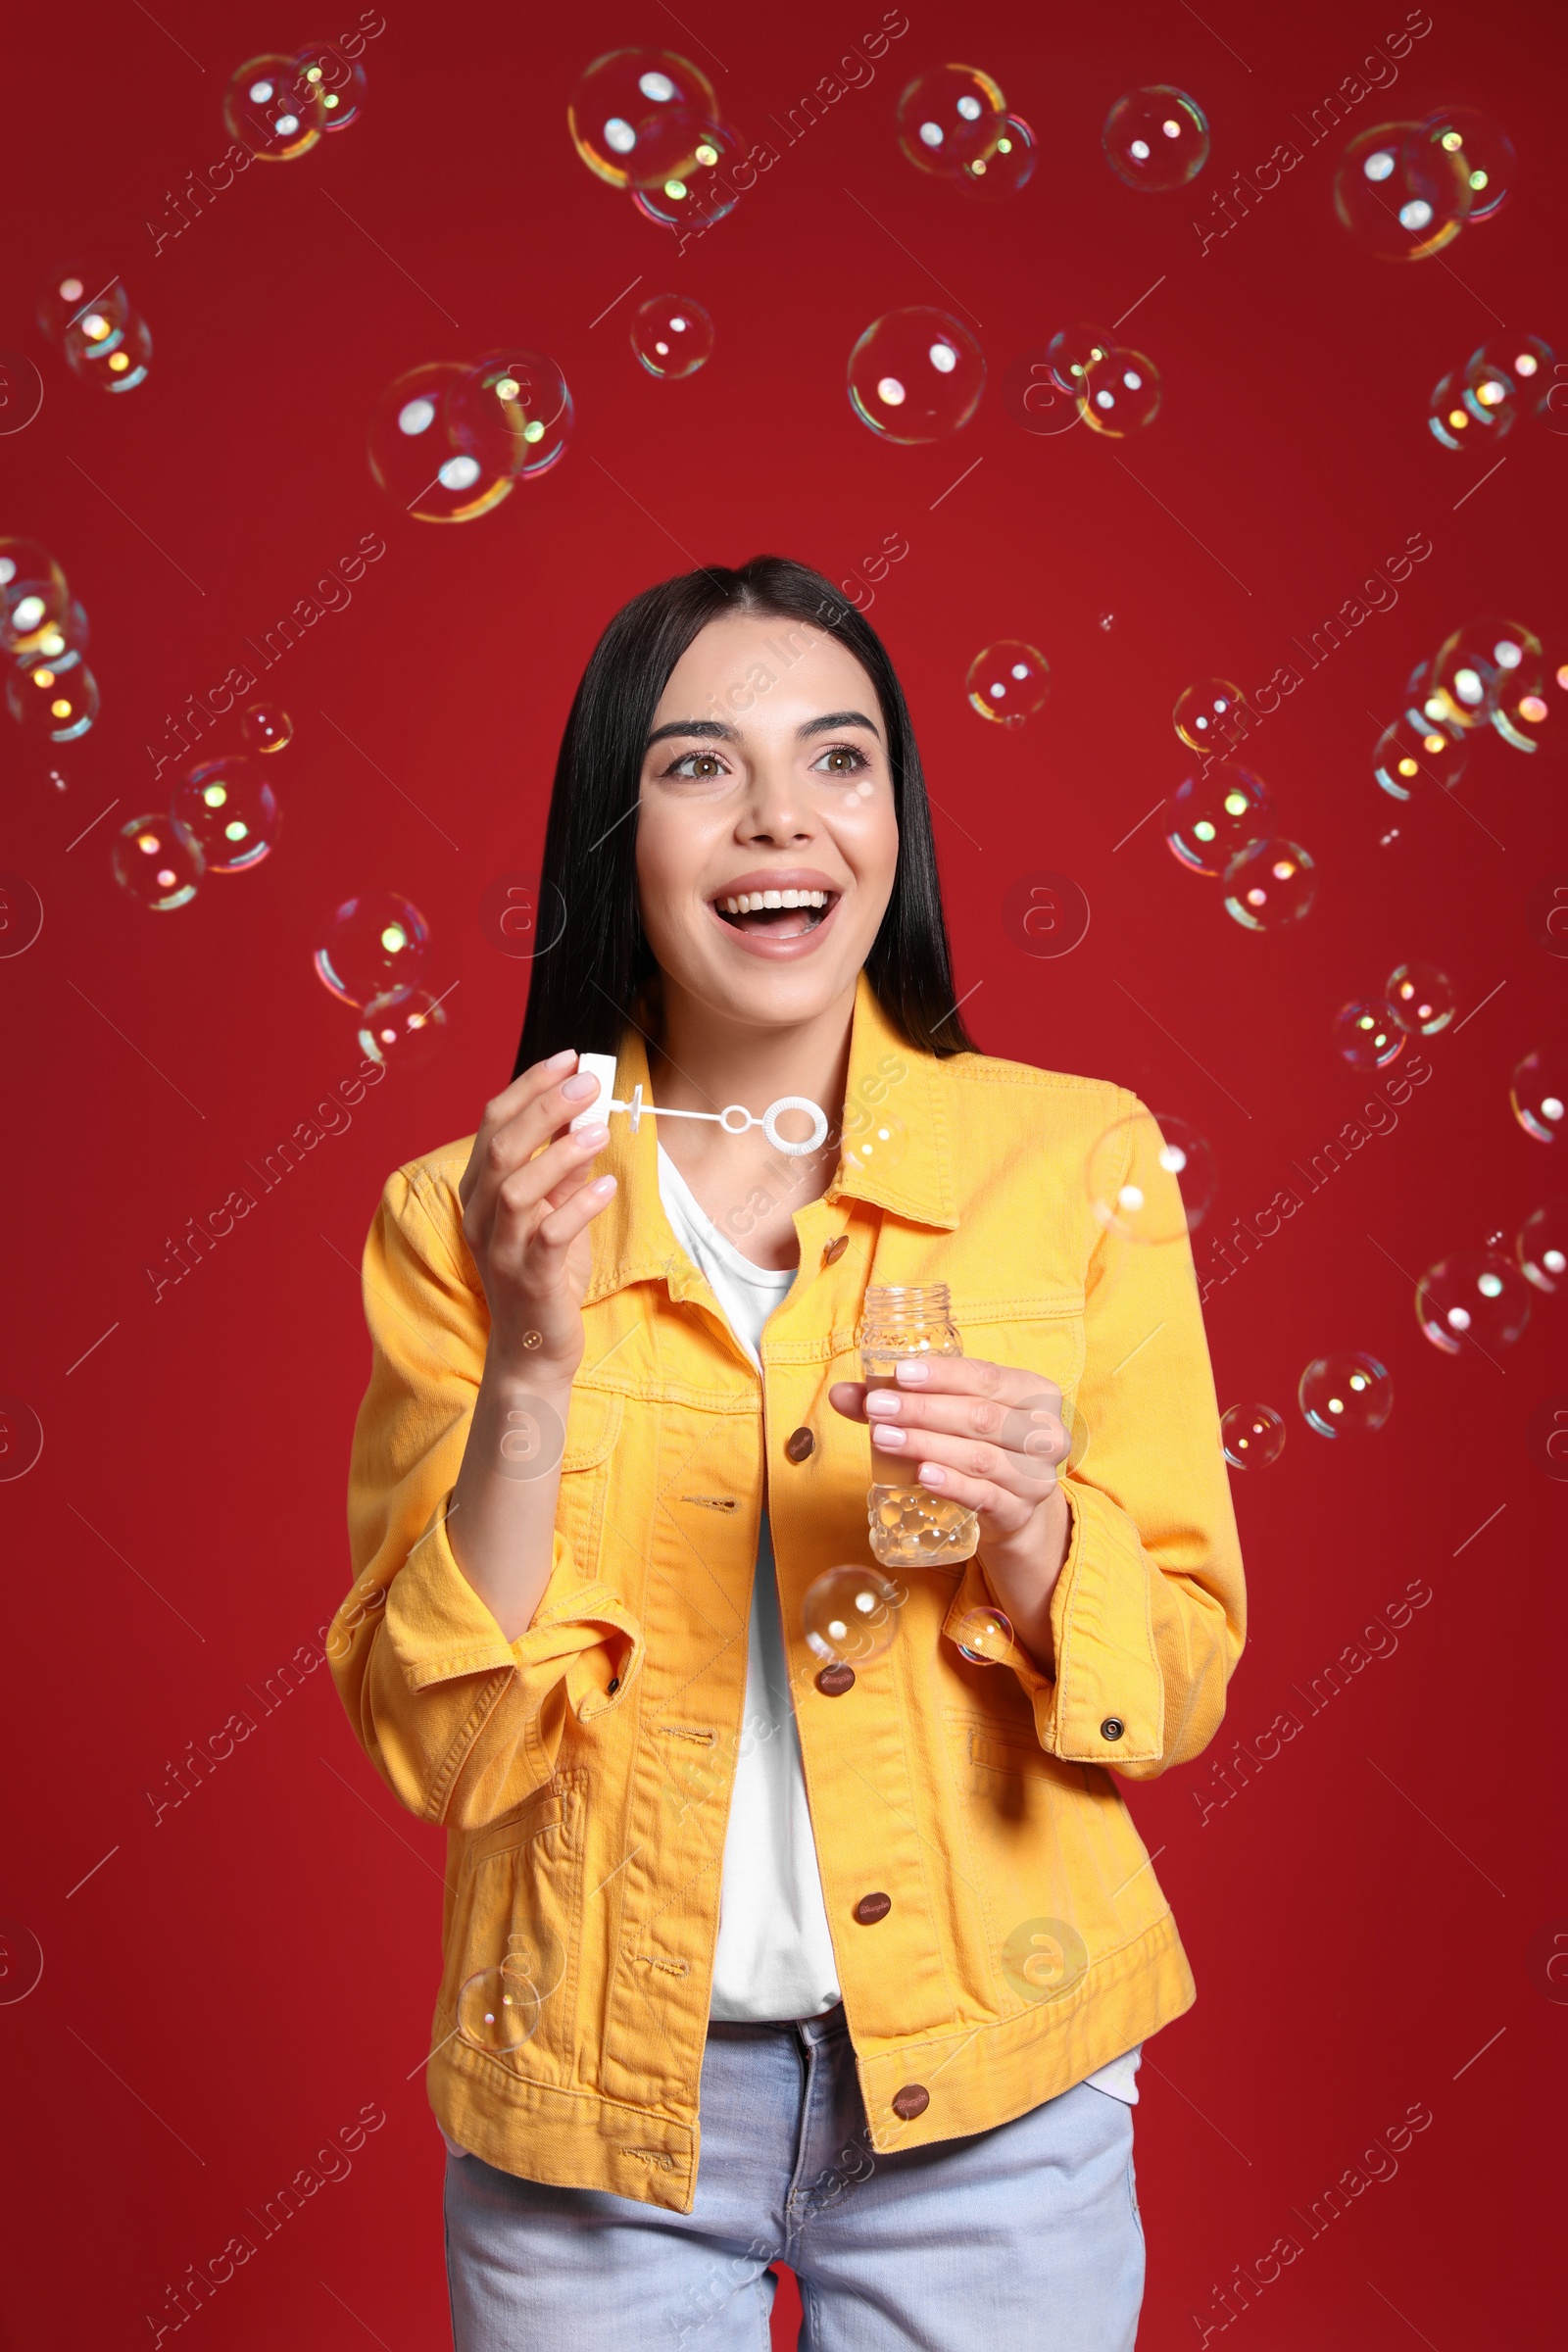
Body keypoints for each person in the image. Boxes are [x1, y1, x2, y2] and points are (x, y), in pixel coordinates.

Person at [328, 555, 1246, 2350]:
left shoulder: (1075, 1164)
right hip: (593, 2109)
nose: (781, 821)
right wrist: (530, 1352)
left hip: (996, 2089)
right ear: (615, 828)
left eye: (840, 760)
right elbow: (436, 1743)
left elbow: (1188, 1670)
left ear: (894, 816)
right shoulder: (465, 1213)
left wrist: (1036, 1528)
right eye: (697, 767)